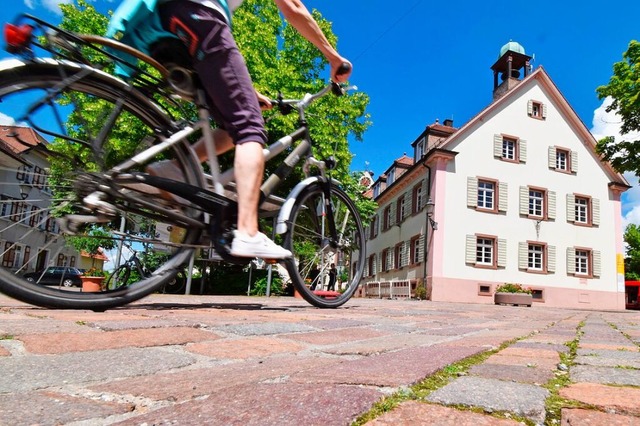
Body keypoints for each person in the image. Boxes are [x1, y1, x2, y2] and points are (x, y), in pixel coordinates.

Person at [107, 0, 352, 259]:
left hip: (168, 28)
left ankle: (176, 166)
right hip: (200, 16)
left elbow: (222, 72)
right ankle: (247, 230)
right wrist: (334, 58)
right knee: (250, 128)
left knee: (231, 128)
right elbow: (294, 8)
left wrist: (247, 91)